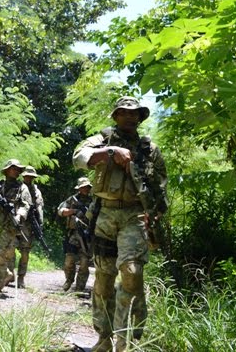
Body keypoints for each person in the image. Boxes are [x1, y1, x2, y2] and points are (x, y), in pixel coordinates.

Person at [73, 96, 168, 352]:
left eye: (134, 112)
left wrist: (157, 214)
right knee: (103, 279)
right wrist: (110, 152)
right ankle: (103, 339)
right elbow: (79, 157)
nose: (129, 116)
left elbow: (161, 184)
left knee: (132, 273)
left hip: (135, 216)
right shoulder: (101, 141)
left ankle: (127, 342)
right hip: (104, 214)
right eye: (124, 112)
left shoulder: (150, 149)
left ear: (140, 117)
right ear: (116, 116)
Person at [0, 159, 32, 296]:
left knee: (0, 256)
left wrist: (19, 215)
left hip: (10, 227)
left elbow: (26, 205)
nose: (15, 171)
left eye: (17, 169)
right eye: (13, 168)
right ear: (7, 170)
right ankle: (7, 274)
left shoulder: (22, 188)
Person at [9, 165, 44, 289]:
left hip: (29, 225)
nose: (29, 178)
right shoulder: (18, 187)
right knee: (10, 248)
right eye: (27, 176)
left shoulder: (36, 191)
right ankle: (9, 274)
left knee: (25, 253)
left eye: (31, 177)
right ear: (24, 176)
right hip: (16, 221)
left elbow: (39, 207)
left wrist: (40, 223)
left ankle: (21, 277)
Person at [57, 176, 94, 292]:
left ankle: (79, 288)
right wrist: (73, 211)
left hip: (87, 236)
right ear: (79, 188)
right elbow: (61, 211)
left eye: (87, 187)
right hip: (73, 234)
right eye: (83, 187)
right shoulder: (72, 200)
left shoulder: (93, 201)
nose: (86, 189)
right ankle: (69, 280)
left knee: (84, 263)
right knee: (69, 261)